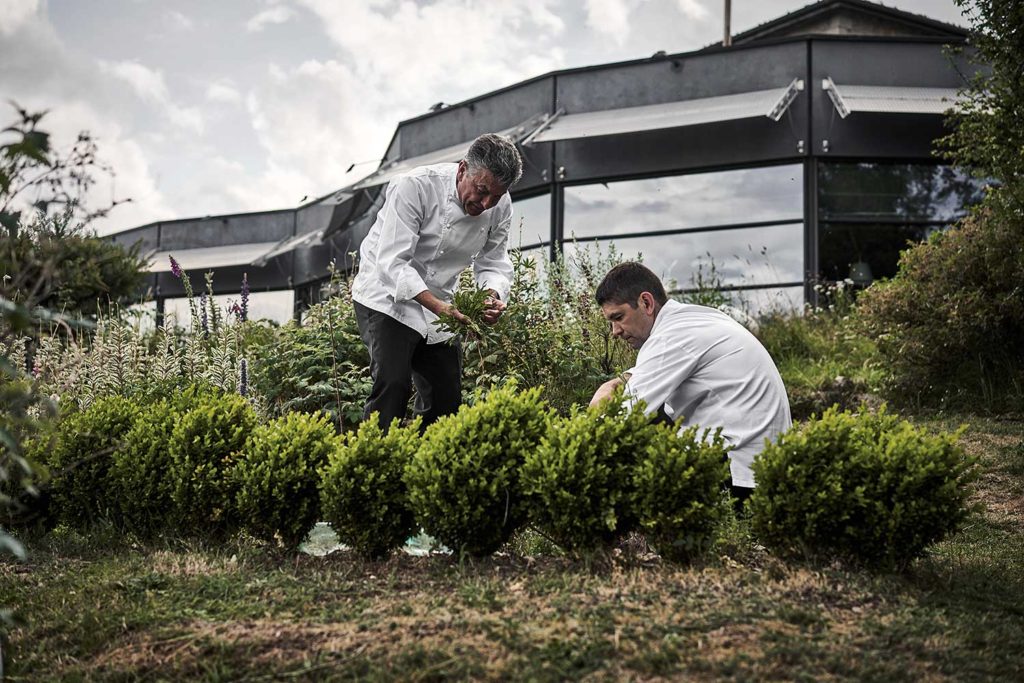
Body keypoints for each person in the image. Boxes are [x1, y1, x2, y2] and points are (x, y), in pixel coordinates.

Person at [351, 133, 523, 430]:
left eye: (494, 196)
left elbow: (493, 261)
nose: (485, 203)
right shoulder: (415, 186)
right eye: (481, 190)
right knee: (393, 383)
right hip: (385, 295)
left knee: (446, 399)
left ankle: (427, 468)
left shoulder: (500, 204)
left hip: (442, 301)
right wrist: (439, 307)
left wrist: (491, 295)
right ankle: (372, 464)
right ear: (461, 170)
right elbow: (392, 262)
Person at [589, 262, 791, 503]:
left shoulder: (671, 338)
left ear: (646, 303)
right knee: (657, 414)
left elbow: (621, 418)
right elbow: (645, 373)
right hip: (767, 466)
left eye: (618, 317)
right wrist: (613, 383)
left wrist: (582, 432)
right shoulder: (692, 320)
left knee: (627, 435)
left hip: (744, 479)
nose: (615, 331)